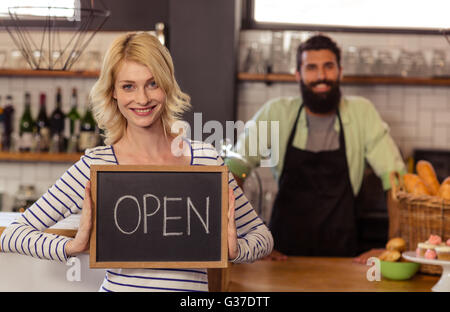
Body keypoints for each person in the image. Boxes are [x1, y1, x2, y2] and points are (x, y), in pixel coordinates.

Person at [0, 32, 273, 292]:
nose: (142, 98)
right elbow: (11, 235)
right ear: (113, 92)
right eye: (128, 86)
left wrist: (236, 251)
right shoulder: (97, 165)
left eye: (152, 83)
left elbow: (263, 237)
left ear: (166, 85)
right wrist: (72, 247)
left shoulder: (205, 160)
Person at [234, 34, 405, 261]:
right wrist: (244, 241)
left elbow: (395, 180)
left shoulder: (362, 113)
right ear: (298, 74)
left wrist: (392, 246)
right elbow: (234, 171)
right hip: (282, 257)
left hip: (343, 258)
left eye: (328, 66)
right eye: (311, 67)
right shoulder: (276, 113)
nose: (321, 76)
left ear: (340, 71)